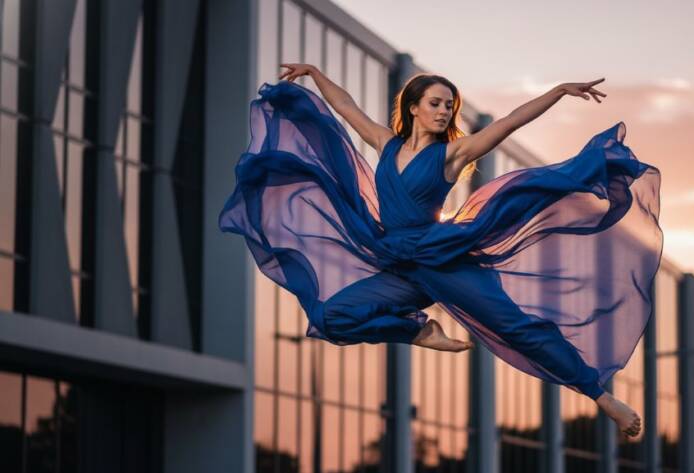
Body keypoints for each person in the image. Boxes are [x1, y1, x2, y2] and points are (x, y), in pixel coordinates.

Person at [219, 62, 664, 439]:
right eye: (435, 103)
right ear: (413, 107)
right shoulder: (385, 144)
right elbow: (346, 108)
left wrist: (558, 91)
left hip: (442, 260)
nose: (443, 111)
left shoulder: (452, 154)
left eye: (449, 105)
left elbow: (509, 122)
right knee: (331, 317)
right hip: (400, 265)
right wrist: (315, 74)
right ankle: (419, 333)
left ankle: (602, 397)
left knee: (517, 328)